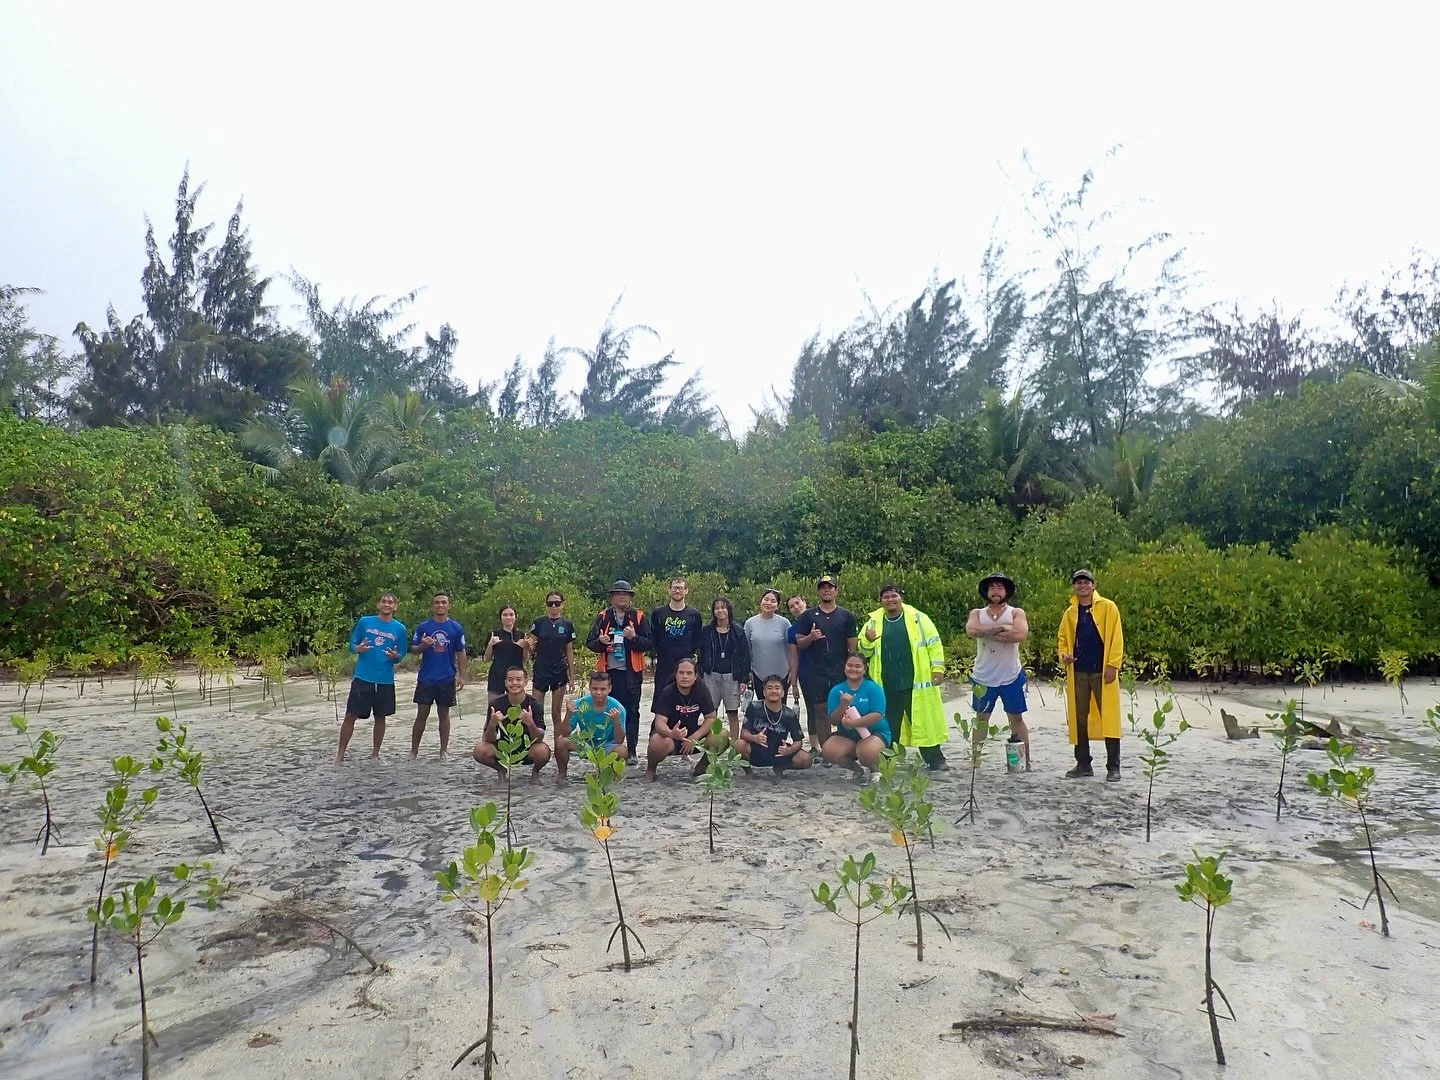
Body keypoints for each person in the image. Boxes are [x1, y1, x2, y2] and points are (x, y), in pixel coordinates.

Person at [857, 583, 949, 769]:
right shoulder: (873, 622)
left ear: (901, 598)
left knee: (923, 722)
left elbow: (934, 644)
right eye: (886, 597)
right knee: (889, 725)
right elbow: (863, 652)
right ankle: (888, 761)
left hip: (915, 683)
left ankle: (935, 760)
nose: (890, 599)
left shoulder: (919, 618)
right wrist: (867, 639)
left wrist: (938, 669)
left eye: (894, 596)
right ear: (880, 600)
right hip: (886, 684)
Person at [1057, 569, 1125, 780]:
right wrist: (1064, 655)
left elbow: (1117, 638)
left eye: (1086, 582)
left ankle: (1113, 767)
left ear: (1094, 585)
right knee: (1079, 719)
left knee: (1109, 719)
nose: (1083, 586)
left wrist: (1113, 665)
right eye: (1078, 582)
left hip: (1102, 672)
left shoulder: (1109, 607)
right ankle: (1083, 763)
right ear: (1074, 587)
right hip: (1078, 672)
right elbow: (1062, 640)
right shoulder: (1070, 612)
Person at [966, 573, 1031, 770]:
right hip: (983, 676)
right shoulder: (977, 613)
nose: (996, 591)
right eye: (992, 587)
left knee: (1016, 718)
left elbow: (1020, 634)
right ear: (986, 591)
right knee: (981, 719)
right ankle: (975, 761)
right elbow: (972, 631)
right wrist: (1002, 628)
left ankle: (1026, 761)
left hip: (1011, 675)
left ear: (1007, 591)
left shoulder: (1016, 612)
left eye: (1000, 587)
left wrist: (987, 631)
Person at [585, 581, 652, 761]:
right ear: (612, 597)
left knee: (632, 711)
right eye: (618, 593)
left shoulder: (638, 617)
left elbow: (650, 643)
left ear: (630, 597)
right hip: (609, 674)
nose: (622, 596)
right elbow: (590, 643)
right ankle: (610, 749)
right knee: (609, 710)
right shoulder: (603, 617)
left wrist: (634, 637)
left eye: (625, 593)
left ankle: (631, 751)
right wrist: (602, 642)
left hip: (632, 674)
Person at [337, 593, 408, 762]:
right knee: (350, 715)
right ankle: (340, 754)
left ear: (395, 607)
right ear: (378, 604)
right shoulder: (365, 622)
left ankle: (375, 754)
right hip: (363, 677)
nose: (387, 604)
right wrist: (358, 649)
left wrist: (395, 657)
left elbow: (402, 653)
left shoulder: (400, 629)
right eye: (384, 601)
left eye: (390, 602)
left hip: (385, 680)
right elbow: (352, 644)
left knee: (380, 717)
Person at [793, 575, 858, 752]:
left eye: (830, 587)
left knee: (845, 709)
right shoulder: (807, 616)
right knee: (820, 711)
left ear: (836, 590)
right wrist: (810, 637)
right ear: (818, 591)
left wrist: (853, 671)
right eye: (823, 587)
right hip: (816, 671)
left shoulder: (847, 616)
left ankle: (845, 749)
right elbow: (799, 643)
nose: (826, 590)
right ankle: (827, 751)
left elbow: (852, 646)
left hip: (840, 670)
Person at [409, 592, 468, 758]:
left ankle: (443, 750)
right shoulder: (424, 627)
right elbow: (413, 650)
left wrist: (462, 676)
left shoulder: (456, 628)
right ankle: (414, 751)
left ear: (449, 605)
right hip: (426, 677)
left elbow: (461, 652)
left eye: (443, 602)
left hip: (447, 677)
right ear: (432, 606)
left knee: (444, 715)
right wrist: (423, 645)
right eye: (437, 602)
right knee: (421, 714)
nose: (440, 605)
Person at [645, 658, 721, 780]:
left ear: (695, 676)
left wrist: (695, 737)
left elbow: (711, 718)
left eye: (689, 673)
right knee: (656, 742)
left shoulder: (702, 690)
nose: (685, 676)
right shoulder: (667, 692)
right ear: (676, 675)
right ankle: (650, 770)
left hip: (692, 736)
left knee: (722, 735)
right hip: (670, 737)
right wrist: (671, 733)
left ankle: (701, 767)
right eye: (681, 673)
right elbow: (659, 723)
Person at [474, 666, 552, 782]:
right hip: (505, 747)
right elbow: (488, 739)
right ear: (505, 683)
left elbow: (539, 738)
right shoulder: (496, 704)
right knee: (480, 750)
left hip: (527, 748)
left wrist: (530, 723)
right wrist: (492, 724)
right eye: (510, 680)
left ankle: (535, 772)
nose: (514, 683)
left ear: (525, 682)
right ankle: (501, 770)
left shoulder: (535, 705)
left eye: (519, 679)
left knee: (543, 751)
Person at [821, 653, 892, 774]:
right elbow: (833, 721)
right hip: (848, 734)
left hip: (874, 732)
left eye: (858, 666)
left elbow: (878, 714)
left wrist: (853, 723)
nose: (853, 669)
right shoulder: (836, 690)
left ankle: (875, 771)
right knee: (828, 751)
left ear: (865, 669)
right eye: (850, 665)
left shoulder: (874, 688)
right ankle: (856, 769)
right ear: (844, 668)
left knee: (867, 751)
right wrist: (843, 705)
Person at [556, 670, 627, 781]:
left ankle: (613, 778)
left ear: (610, 689)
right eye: (595, 689)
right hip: (587, 742)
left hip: (608, 744)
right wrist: (568, 716)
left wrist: (616, 722)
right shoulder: (579, 704)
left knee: (622, 751)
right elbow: (565, 734)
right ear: (589, 688)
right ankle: (562, 774)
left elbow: (619, 741)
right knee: (561, 741)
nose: (598, 692)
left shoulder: (618, 708)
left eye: (603, 689)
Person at [737, 675, 812, 777]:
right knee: (739, 745)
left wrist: (789, 750)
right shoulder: (754, 707)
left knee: (806, 758)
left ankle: (780, 767)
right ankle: (749, 773)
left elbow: (798, 741)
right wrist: (755, 738)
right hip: (757, 750)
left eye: (777, 688)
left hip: (779, 752)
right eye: (769, 688)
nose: (773, 691)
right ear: (764, 692)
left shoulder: (789, 714)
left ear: (783, 693)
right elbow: (743, 733)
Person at [699, 596, 750, 741]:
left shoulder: (738, 631)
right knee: (711, 713)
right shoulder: (707, 631)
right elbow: (701, 653)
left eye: (723, 607)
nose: (720, 610)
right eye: (717, 608)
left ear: (728, 610)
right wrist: (700, 673)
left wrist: (744, 679)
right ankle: (712, 744)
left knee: (732, 713)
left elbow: (745, 656)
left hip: (732, 676)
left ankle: (734, 746)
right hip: (711, 675)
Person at [528, 591, 576, 734]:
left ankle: (558, 745)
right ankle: (536, 744)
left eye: (557, 603)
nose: (553, 606)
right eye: (550, 603)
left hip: (559, 670)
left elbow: (569, 652)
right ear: (546, 605)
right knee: (536, 711)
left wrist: (572, 677)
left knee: (556, 713)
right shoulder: (538, 623)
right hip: (541, 669)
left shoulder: (567, 624)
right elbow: (532, 646)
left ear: (562, 605)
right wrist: (527, 645)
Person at [650, 576, 703, 692]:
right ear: (669, 590)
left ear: (686, 590)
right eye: (674, 588)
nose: (677, 591)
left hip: (685, 664)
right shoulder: (658, 613)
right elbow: (654, 637)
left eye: (680, 588)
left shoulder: (694, 614)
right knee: (662, 697)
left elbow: (697, 639)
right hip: (664, 665)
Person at [744, 589, 793, 701]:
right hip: (758, 674)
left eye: (773, 601)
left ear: (777, 606)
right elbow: (746, 650)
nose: (768, 603)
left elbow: (791, 649)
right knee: (762, 706)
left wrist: (793, 671)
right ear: (761, 601)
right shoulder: (750, 623)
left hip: (782, 674)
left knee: (781, 706)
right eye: (766, 599)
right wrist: (747, 672)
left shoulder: (784, 623)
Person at [484, 605, 529, 705]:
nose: (508, 617)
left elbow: (525, 660)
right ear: (500, 617)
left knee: (516, 708)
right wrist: (490, 644)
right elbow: (486, 658)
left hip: (516, 676)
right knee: (494, 707)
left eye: (511, 614)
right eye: (505, 615)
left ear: (516, 617)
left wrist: (526, 647)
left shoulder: (521, 635)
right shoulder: (494, 634)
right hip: (497, 674)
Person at [785, 595, 809, 714]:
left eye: (797, 603)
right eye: (791, 606)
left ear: (804, 602)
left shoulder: (820, 619)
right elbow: (794, 658)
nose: (795, 607)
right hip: (806, 673)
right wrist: (794, 684)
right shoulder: (792, 630)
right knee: (811, 710)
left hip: (828, 671)